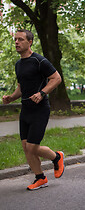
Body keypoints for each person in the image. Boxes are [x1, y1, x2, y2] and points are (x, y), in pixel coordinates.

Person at [2, 29, 65, 191]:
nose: (16, 42)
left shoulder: (39, 61)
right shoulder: (18, 64)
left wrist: (42, 93)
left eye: (20, 39)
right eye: (15, 39)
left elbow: (56, 78)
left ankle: (57, 156)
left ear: (29, 42)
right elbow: (21, 87)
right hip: (26, 110)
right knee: (26, 147)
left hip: (40, 109)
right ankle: (40, 178)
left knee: (32, 146)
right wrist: (11, 98)